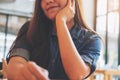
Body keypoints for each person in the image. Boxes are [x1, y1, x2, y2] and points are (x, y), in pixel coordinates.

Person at [6, 0, 102, 80]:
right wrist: (22, 73)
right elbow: (15, 65)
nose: (48, 1)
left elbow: (77, 75)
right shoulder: (30, 29)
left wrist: (61, 21)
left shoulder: (91, 39)